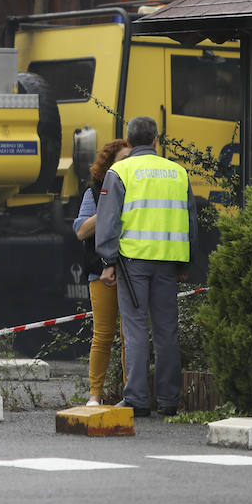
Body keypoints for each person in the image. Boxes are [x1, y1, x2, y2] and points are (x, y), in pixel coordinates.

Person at [95, 116, 196, 418]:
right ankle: (168, 401)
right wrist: (185, 262)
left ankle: (137, 399)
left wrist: (108, 260)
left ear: (128, 142)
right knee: (166, 331)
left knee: (136, 329)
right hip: (168, 262)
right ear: (155, 140)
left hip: (133, 262)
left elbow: (108, 221)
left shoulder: (120, 172)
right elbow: (191, 223)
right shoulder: (178, 172)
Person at [71, 137, 129, 407]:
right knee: (103, 335)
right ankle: (95, 394)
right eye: (122, 161)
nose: (127, 166)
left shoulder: (139, 190)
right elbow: (82, 230)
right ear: (108, 166)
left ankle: (131, 394)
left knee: (131, 335)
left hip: (131, 270)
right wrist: (108, 206)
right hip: (101, 272)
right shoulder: (94, 192)